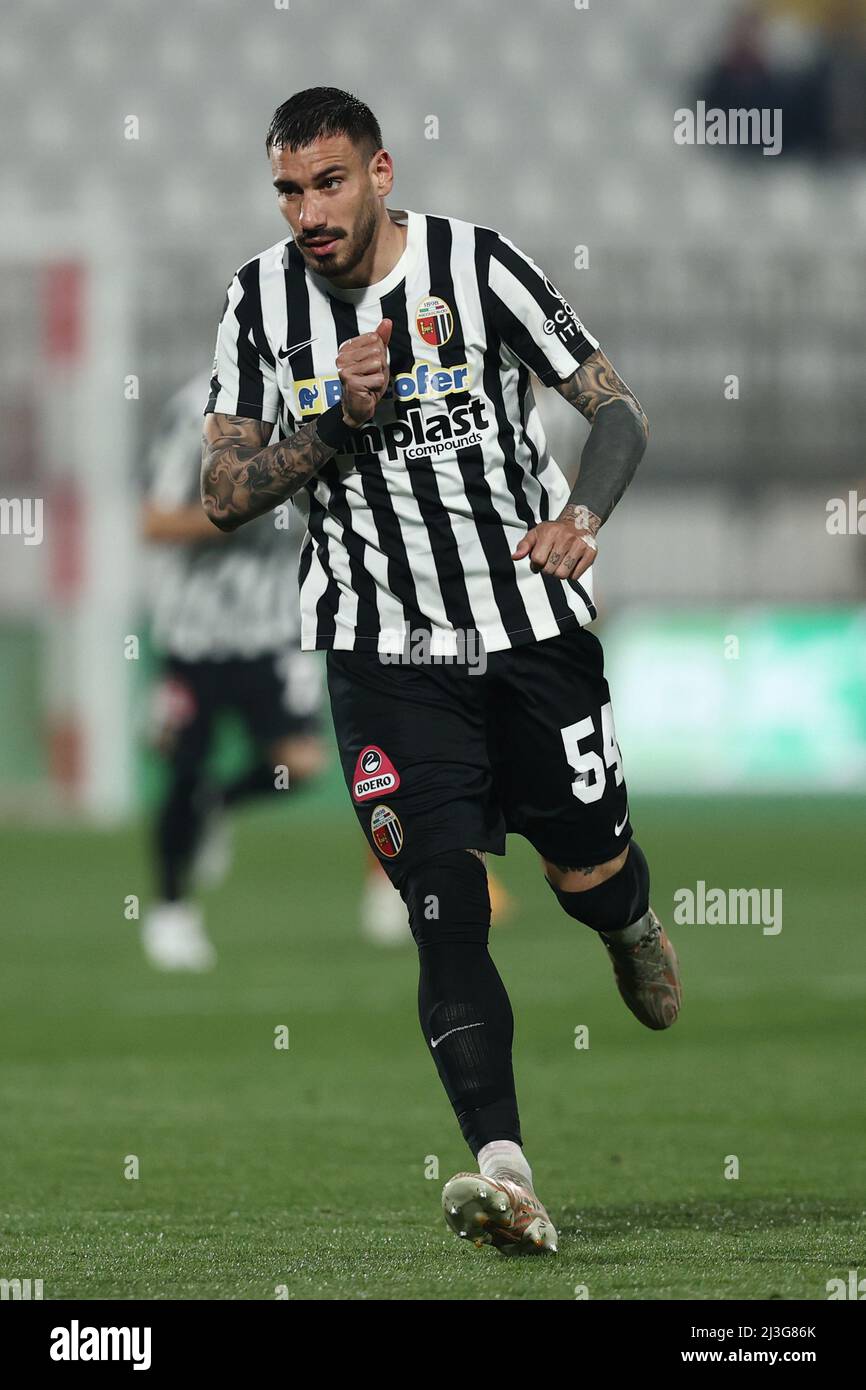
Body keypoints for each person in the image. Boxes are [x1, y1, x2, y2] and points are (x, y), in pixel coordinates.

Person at [201, 87, 682, 1255]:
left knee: (587, 874)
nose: (307, 211)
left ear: (379, 173)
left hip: (526, 624)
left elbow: (614, 410)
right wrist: (332, 426)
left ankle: (625, 925)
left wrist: (579, 513)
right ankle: (506, 1173)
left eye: (328, 182)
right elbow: (221, 496)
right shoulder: (257, 302)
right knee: (440, 907)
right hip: (379, 650)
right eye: (287, 189)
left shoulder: (479, 267)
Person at [142, 372, 326, 970]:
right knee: (183, 769)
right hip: (195, 632)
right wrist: (238, 508)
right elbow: (156, 521)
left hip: (274, 628)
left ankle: (220, 802)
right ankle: (171, 911)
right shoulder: (196, 410)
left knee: (300, 763)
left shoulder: (319, 401)